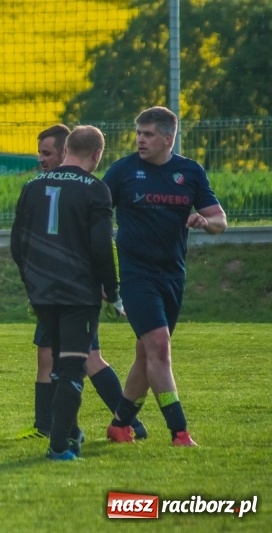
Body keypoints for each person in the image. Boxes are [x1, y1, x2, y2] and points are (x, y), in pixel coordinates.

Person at [103, 106, 227, 447]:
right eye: (138, 133)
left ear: (168, 138)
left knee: (147, 356)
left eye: (148, 134)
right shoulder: (124, 171)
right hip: (136, 275)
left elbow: (219, 220)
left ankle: (119, 425)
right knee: (159, 347)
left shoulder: (189, 172)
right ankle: (179, 431)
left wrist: (205, 222)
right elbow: (93, 212)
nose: (140, 140)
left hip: (173, 275)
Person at [16, 124, 147, 441]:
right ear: (96, 153)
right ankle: (55, 430)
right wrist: (110, 288)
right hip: (75, 291)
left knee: (74, 360)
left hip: (53, 291)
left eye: (46, 153)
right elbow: (102, 243)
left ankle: (70, 432)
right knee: (63, 359)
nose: (41, 159)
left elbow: (19, 243)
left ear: (66, 151)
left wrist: (32, 283)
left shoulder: (36, 187)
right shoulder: (92, 188)